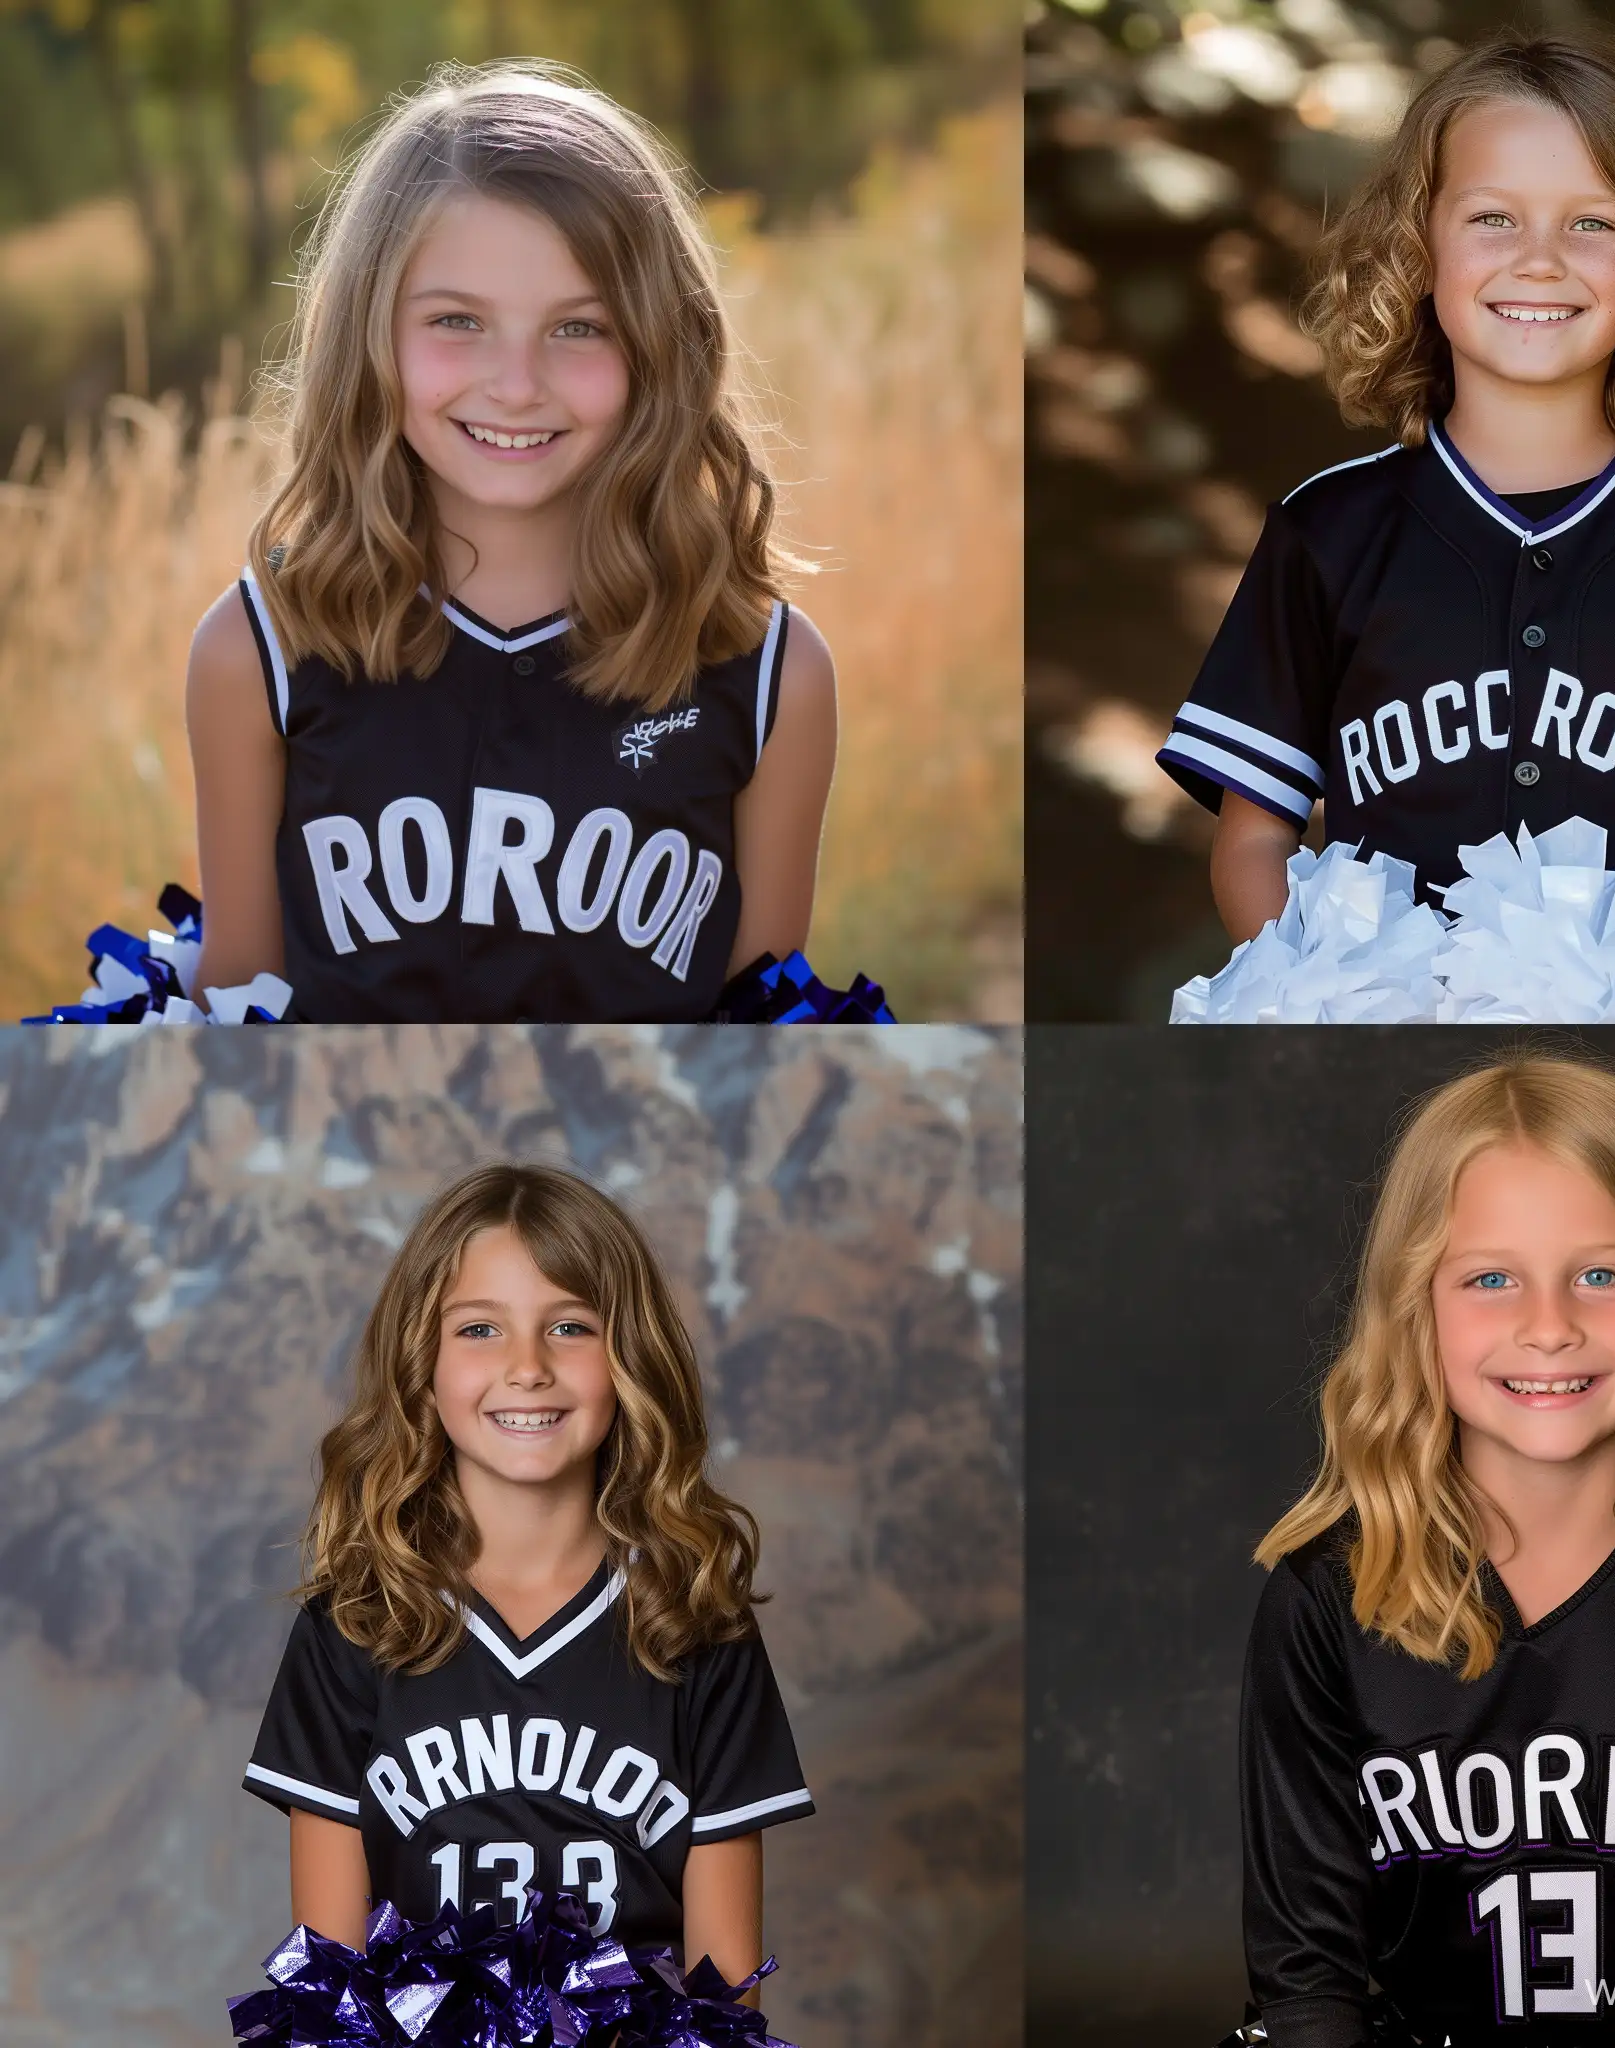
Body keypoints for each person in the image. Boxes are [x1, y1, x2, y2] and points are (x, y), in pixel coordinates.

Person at [1157, 30, 1615, 948]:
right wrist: (1322, 1000)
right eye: (1493, 217)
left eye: (1593, 222)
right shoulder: (1326, 533)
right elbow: (1255, 835)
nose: (1540, 259)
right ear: (1418, 246)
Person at [187, 62, 835, 1021]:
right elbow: (236, 1009)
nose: (518, 383)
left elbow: (766, 1033)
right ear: (368, 331)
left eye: (580, 328)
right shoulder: (260, 648)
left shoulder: (769, 670)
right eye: (457, 321)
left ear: (662, 346)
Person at [1240, 1056, 1615, 2048]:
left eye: (1600, 1274)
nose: (1546, 1326)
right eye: (1489, 1278)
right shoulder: (1326, 1594)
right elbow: (1306, 1978)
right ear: (1414, 1306)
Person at [242, 1162, 812, 1996]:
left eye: (571, 1326)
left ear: (631, 1359)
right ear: (419, 1365)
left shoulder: (694, 1621)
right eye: (478, 1329)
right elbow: (328, 1986)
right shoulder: (358, 1619)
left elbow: (725, 1991)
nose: (527, 1366)